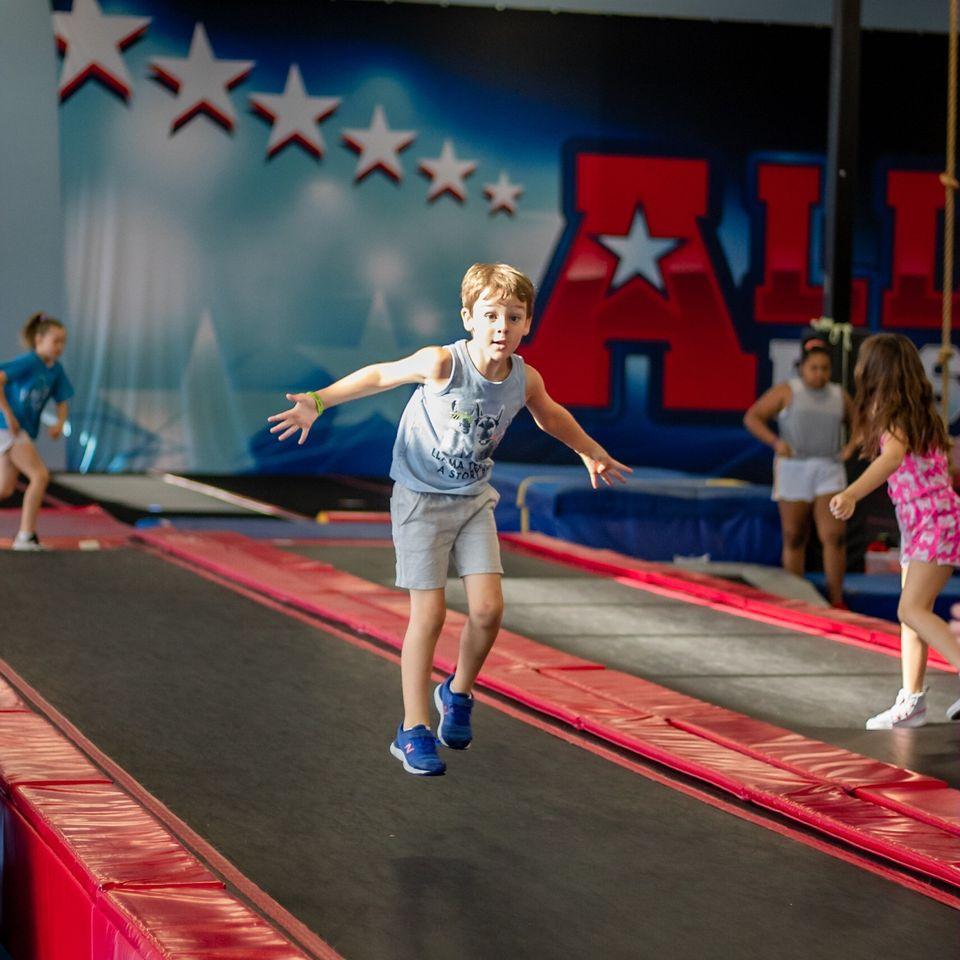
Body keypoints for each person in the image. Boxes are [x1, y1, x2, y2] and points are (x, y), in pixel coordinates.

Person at [268, 263, 631, 775]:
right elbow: (380, 374)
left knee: (488, 610)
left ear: (528, 324)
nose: (502, 327)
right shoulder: (442, 363)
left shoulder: (524, 379)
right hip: (420, 500)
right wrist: (319, 401)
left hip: (472, 499)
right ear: (468, 318)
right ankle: (413, 728)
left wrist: (589, 450)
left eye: (514, 317)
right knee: (430, 615)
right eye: (491, 316)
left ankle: (456, 692)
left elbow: (551, 415)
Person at [829, 333, 960, 728]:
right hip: (923, 523)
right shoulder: (916, 413)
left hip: (932, 523)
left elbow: (892, 458)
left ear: (875, 372)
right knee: (912, 615)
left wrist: (851, 493)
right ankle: (912, 700)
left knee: (911, 609)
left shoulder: (895, 417)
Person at [743, 338, 856, 606]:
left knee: (834, 535)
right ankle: (795, 600)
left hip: (828, 467)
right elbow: (752, 417)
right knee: (794, 536)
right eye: (814, 368)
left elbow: (860, 424)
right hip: (794, 467)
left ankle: (836, 599)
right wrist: (775, 442)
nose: (820, 374)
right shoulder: (787, 391)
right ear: (802, 368)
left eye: (825, 368)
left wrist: (851, 447)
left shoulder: (839, 395)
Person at [0, 313, 73, 550]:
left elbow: (62, 400)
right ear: (39, 340)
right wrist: (8, 414)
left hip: (20, 430)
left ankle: (25, 536)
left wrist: (60, 422)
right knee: (39, 476)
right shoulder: (29, 362)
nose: (60, 347)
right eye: (55, 341)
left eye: (63, 342)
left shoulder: (56, 370)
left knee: (4, 489)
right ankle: (26, 536)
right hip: (9, 428)